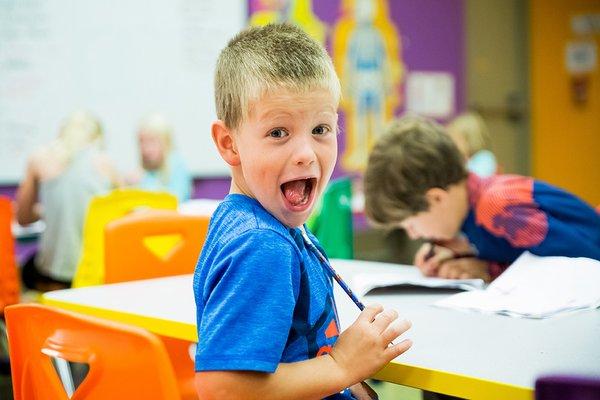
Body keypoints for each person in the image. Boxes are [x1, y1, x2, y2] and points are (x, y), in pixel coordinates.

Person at [193, 24, 412, 400]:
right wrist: (341, 366)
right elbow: (224, 390)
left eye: (321, 129)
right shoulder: (262, 244)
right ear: (230, 145)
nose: (306, 153)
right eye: (278, 132)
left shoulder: (268, 222)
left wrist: (345, 374)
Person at [364, 115, 600, 283]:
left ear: (436, 198)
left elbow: (581, 267)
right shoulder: (466, 213)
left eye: (410, 224)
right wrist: (459, 252)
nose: (414, 234)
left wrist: (488, 270)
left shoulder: (496, 207)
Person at [16, 111, 120, 290]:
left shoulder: (39, 159)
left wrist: (48, 211)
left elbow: (23, 218)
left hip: (53, 274)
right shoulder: (106, 164)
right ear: (97, 137)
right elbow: (122, 215)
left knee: (25, 270)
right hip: (95, 275)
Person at [129, 113, 192, 201]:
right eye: (141, 142)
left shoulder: (176, 163)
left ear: (166, 141)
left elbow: (176, 198)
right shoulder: (147, 168)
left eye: (152, 141)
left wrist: (143, 182)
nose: (146, 148)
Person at [446, 111, 497, 178]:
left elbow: (476, 179)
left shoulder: (485, 157)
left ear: (470, 140)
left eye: (456, 139)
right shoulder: (455, 159)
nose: (452, 143)